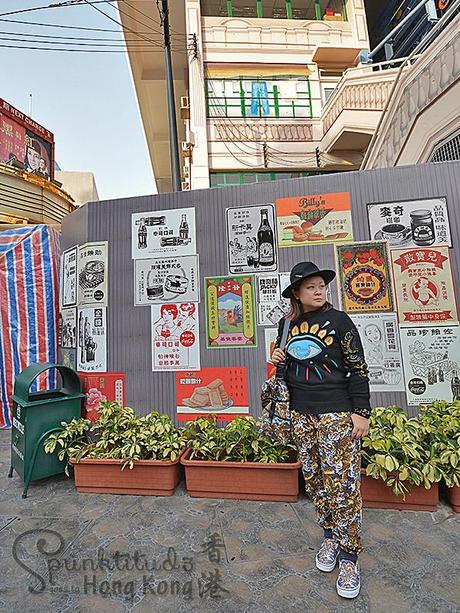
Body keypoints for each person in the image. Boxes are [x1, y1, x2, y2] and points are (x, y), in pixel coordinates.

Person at [271, 261, 371, 600]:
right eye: (310, 286)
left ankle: (349, 556)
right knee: (315, 481)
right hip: (301, 414)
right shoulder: (287, 325)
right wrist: (276, 359)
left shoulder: (340, 320)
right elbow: (282, 374)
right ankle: (329, 536)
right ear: (297, 293)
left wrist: (361, 412)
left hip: (336, 414)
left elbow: (358, 367)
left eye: (321, 286)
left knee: (342, 484)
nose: (318, 291)